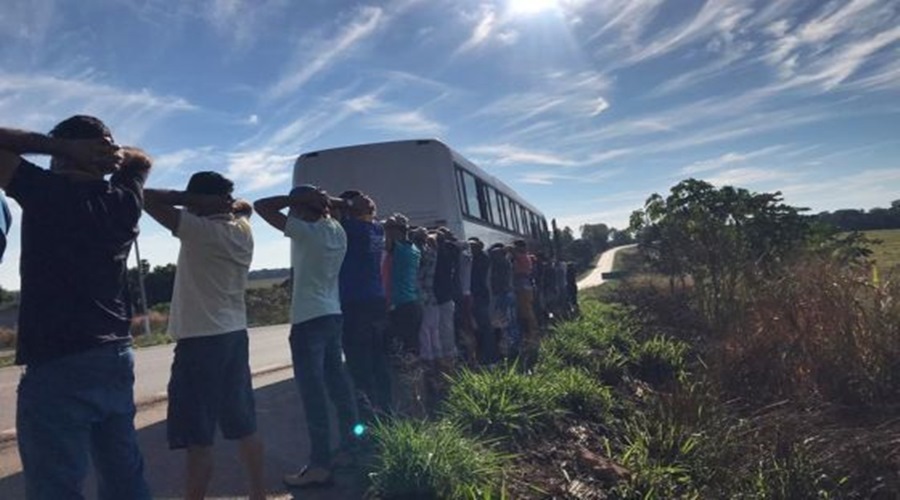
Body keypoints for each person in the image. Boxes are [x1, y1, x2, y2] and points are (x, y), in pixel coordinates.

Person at [0, 116, 151, 499]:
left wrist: (62, 147)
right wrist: (112, 154)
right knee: (124, 475)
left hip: (58, 360)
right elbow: (142, 161)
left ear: (62, 156)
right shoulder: (124, 199)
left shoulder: (45, 190)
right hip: (115, 353)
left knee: (55, 486)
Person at [142, 171, 264, 500]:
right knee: (244, 424)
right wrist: (213, 201)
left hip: (200, 342)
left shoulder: (200, 231)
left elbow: (144, 196)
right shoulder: (243, 228)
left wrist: (191, 200)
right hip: (234, 336)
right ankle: (258, 493)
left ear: (198, 202)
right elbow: (246, 206)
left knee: (198, 437)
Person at [254, 185, 360, 488]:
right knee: (339, 387)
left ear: (301, 208)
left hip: (307, 319)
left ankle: (319, 465)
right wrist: (318, 201)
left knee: (313, 394)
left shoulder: (306, 232)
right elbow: (336, 209)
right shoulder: (337, 230)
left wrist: (296, 199)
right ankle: (351, 449)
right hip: (332, 314)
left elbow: (262, 205)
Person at [334, 190, 391, 416]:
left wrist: (344, 203)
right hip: (376, 301)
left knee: (359, 363)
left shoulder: (350, 229)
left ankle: (368, 415)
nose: (366, 196)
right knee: (379, 359)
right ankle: (386, 409)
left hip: (355, 303)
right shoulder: (376, 228)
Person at [383, 214, 424, 417]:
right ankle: (418, 399)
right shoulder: (414, 249)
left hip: (401, 308)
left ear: (397, 232)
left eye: (389, 230)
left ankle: (411, 404)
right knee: (413, 353)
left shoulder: (398, 250)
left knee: (402, 356)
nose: (386, 234)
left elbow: (388, 246)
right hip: (412, 305)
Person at [469, 238, 497, 365]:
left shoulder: (479, 260)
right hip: (482, 296)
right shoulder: (484, 258)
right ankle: (488, 356)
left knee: (484, 327)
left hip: (478, 296)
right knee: (484, 327)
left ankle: (488, 357)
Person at [513, 240, 540, 368]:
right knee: (527, 311)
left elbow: (514, 254)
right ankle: (531, 333)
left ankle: (531, 335)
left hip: (523, 286)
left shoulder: (522, 257)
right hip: (526, 285)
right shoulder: (528, 257)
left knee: (526, 311)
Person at [489, 243, 516, 361]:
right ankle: (512, 348)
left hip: (502, 295)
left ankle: (508, 349)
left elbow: (490, 252)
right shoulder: (506, 262)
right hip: (508, 294)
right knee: (510, 322)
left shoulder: (501, 264)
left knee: (503, 323)